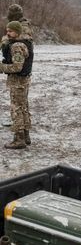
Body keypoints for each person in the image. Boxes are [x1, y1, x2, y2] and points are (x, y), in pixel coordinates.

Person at [0, 21, 34, 149]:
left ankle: (19, 139)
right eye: (7, 30)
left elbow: (17, 67)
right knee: (24, 108)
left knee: (17, 109)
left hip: (18, 82)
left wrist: (2, 67)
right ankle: (25, 136)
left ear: (17, 32)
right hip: (23, 81)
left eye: (10, 31)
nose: (7, 33)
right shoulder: (24, 42)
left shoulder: (17, 46)